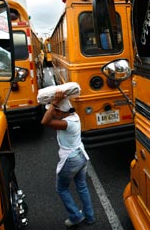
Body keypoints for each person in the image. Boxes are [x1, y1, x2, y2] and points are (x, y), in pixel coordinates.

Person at [41, 90, 95, 228]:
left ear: (59, 112)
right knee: (82, 187)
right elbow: (52, 116)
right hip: (81, 156)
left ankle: (76, 217)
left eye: (54, 111)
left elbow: (45, 121)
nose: (52, 113)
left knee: (62, 188)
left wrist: (54, 103)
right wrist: (57, 102)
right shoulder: (74, 116)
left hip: (72, 159)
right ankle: (89, 217)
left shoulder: (66, 124)